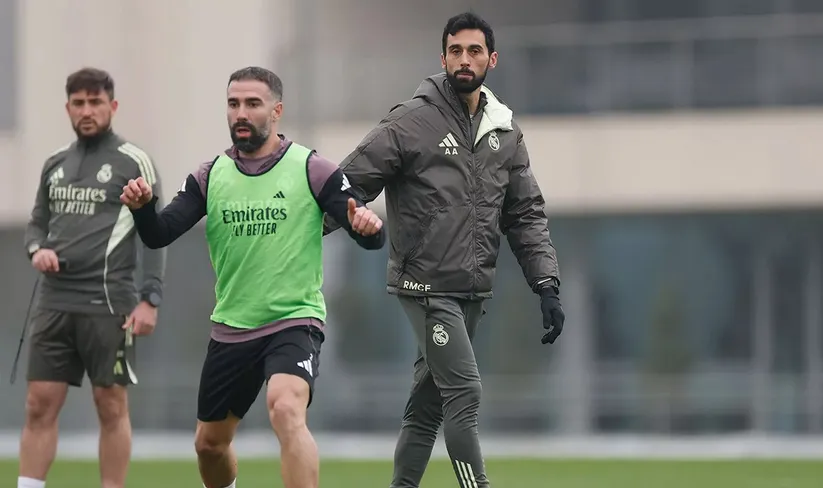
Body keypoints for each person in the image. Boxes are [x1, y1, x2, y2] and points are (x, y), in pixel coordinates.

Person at [326, 11, 566, 488]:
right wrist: (296, 236)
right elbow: (346, 187)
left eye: (474, 51)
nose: (464, 60)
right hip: (425, 286)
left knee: (426, 409)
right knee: (465, 392)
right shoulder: (410, 121)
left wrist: (546, 285)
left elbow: (525, 215)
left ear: (492, 60)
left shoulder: (504, 130)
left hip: (472, 291)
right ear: (443, 58)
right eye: (455, 51)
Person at [120, 66, 386, 488]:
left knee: (286, 409)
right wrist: (143, 208)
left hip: (294, 321)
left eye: (252, 104)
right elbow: (159, 234)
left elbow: (367, 232)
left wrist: (367, 228)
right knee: (209, 445)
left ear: (276, 111)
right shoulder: (209, 177)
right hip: (232, 329)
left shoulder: (312, 169)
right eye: (233, 104)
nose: (240, 113)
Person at [18, 67, 166, 488]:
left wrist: (150, 298)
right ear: (67, 108)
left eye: (95, 102)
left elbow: (155, 234)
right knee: (38, 404)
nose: (87, 111)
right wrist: (37, 250)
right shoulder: (55, 164)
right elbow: (36, 224)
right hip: (53, 302)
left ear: (112, 106)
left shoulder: (133, 162)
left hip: (108, 302)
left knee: (110, 404)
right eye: (78, 103)